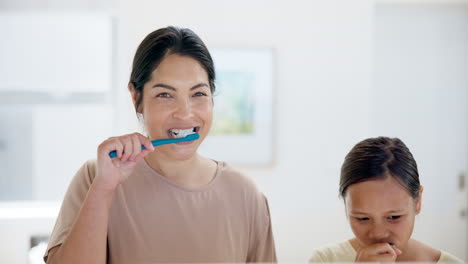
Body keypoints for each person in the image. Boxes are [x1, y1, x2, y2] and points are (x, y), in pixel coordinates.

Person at [44, 26, 276, 264]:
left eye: (198, 94)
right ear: (137, 98)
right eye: (165, 95)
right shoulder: (96, 178)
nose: (185, 113)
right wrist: (103, 190)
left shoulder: (246, 195)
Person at [309, 137, 463, 263]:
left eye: (394, 217)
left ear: (418, 202)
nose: (378, 233)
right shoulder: (326, 259)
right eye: (362, 218)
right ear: (346, 207)